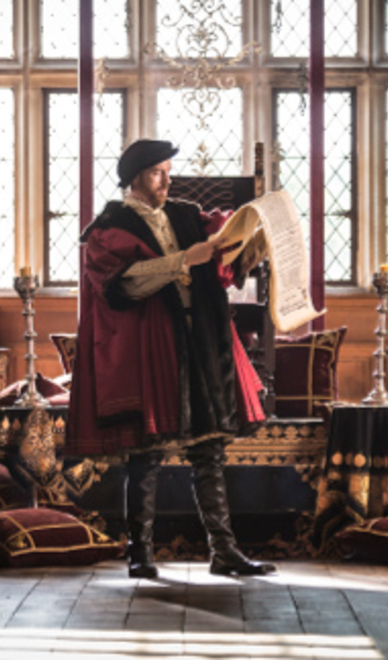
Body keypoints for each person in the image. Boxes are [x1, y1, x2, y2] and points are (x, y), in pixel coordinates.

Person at [67, 139, 274, 578]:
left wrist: (252, 246)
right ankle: (139, 553)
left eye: (168, 170)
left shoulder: (183, 214)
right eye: (158, 171)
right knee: (145, 454)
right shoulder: (110, 226)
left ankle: (224, 552)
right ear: (135, 178)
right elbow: (123, 285)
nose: (168, 179)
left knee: (209, 449)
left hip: (200, 338)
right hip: (150, 345)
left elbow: (222, 266)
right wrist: (183, 259)